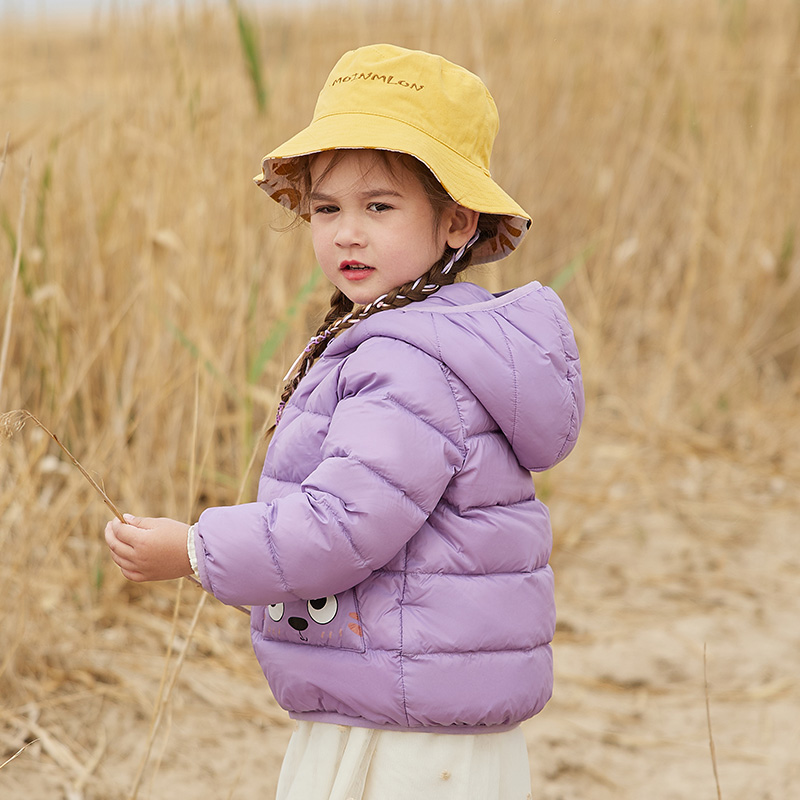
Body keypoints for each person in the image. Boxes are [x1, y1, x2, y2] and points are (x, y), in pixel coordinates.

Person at [105, 43, 584, 799]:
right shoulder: (427, 336)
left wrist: (196, 550)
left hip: (403, 730)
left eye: (379, 207)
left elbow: (341, 525)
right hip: (412, 694)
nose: (346, 233)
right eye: (326, 208)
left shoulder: (411, 363)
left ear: (457, 223)